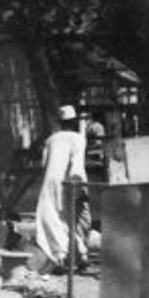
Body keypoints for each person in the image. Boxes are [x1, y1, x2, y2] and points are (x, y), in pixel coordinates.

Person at [34, 105, 89, 273]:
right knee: (77, 218)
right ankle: (80, 256)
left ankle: (61, 255)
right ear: (73, 122)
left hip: (49, 182)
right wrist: (77, 183)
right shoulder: (77, 138)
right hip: (69, 181)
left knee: (52, 217)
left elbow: (44, 164)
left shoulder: (51, 140)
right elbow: (77, 164)